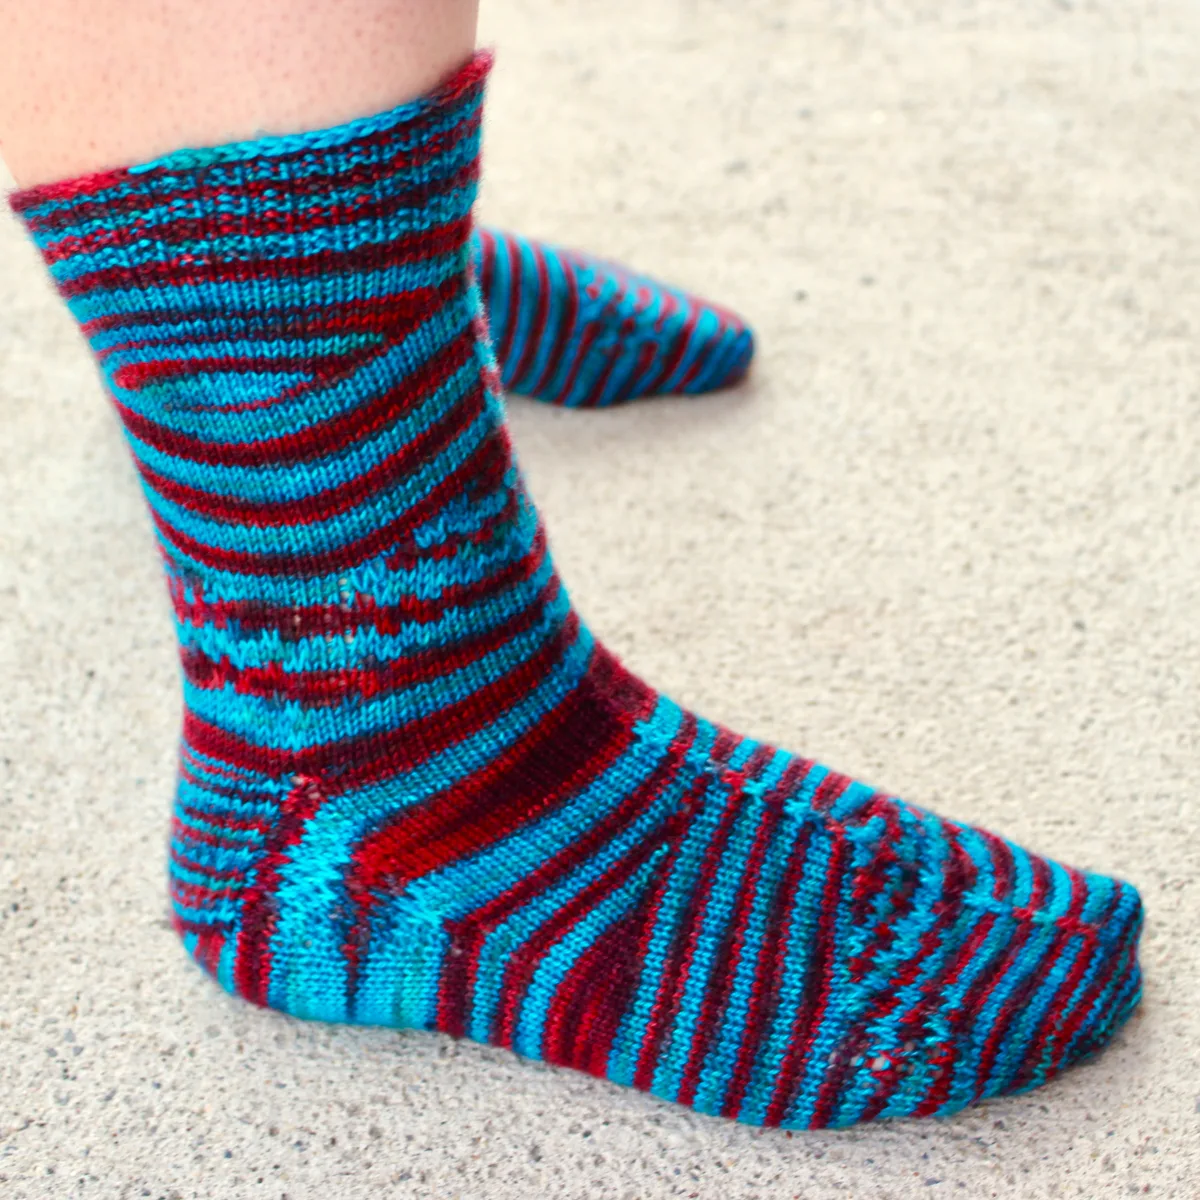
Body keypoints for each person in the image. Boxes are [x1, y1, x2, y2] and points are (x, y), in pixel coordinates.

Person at [0, 1, 1142, 1132]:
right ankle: (363, 713)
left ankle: (296, 292)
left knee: (289, 244)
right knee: (274, 311)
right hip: (342, 753)